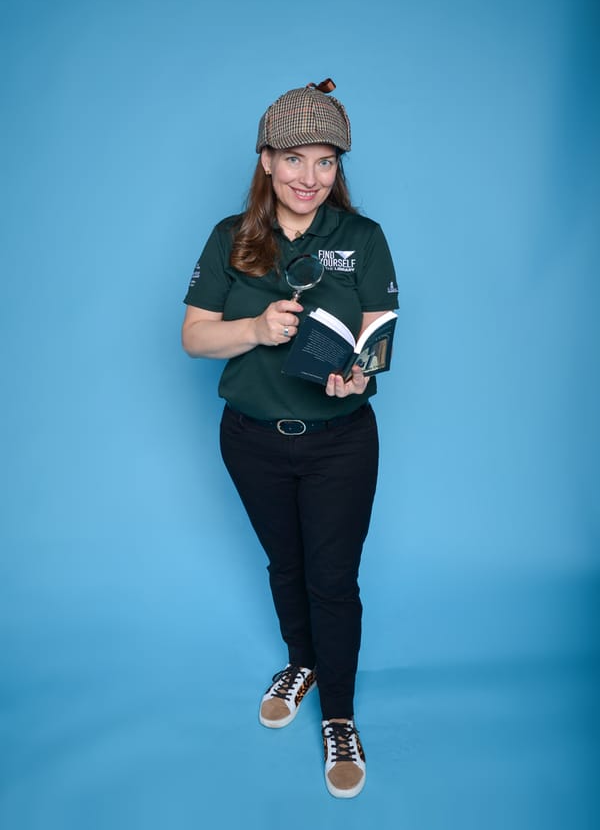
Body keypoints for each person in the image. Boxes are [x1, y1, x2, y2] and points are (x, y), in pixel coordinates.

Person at [182, 79, 399, 798]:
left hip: (340, 442)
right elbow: (193, 337)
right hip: (251, 439)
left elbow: (378, 340)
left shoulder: (363, 238)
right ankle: (300, 661)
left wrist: (359, 375)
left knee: (331, 579)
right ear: (267, 160)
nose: (310, 177)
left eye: (326, 161)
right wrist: (253, 328)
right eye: (295, 159)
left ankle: (339, 714)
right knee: (285, 564)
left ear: (339, 167)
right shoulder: (231, 236)